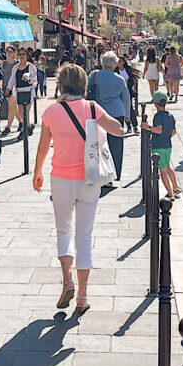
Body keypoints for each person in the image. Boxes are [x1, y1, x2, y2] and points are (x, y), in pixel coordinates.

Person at [33, 63, 125, 314]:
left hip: (61, 178)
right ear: (84, 84)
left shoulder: (52, 111)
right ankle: (83, 296)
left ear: (62, 85)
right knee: (83, 236)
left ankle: (67, 281)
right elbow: (118, 129)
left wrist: (37, 172)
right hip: (89, 179)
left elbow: (43, 147)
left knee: (64, 231)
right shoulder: (93, 108)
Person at [88, 51, 130, 182]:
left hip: (98, 113)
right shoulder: (119, 79)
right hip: (116, 113)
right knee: (116, 144)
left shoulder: (94, 75)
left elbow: (88, 90)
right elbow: (126, 97)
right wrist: (127, 115)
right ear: (115, 64)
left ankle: (101, 172)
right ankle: (116, 171)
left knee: (97, 144)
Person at [142, 90, 180, 199]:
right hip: (168, 145)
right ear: (166, 102)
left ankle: (170, 193)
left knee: (162, 171)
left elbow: (159, 130)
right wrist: (166, 137)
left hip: (158, 146)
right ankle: (175, 188)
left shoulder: (158, 116)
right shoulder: (170, 116)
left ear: (155, 103)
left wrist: (148, 127)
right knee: (168, 167)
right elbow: (173, 132)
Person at [8, 47, 38, 138]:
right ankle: (28, 126)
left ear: (27, 56)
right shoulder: (15, 68)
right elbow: (12, 79)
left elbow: (35, 79)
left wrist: (29, 79)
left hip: (28, 92)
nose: (22, 56)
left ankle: (24, 132)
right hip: (19, 92)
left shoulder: (31, 67)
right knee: (21, 113)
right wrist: (8, 88)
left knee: (26, 112)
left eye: (23, 54)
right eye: (20, 54)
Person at [117, 56, 139, 133]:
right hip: (119, 93)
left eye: (120, 61)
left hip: (128, 92)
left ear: (124, 62)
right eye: (118, 61)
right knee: (122, 109)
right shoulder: (115, 71)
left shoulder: (128, 70)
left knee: (129, 109)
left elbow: (132, 79)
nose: (119, 63)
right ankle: (128, 126)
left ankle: (135, 126)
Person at [0, 45, 17, 132]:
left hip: (14, 88)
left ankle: (8, 127)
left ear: (14, 53)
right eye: (7, 52)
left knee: (11, 106)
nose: (9, 54)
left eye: (10, 52)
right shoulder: (4, 63)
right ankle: (21, 122)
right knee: (13, 107)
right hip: (5, 86)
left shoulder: (17, 63)